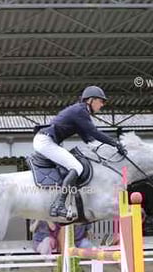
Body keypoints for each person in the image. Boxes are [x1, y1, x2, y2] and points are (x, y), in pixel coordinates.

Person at [33, 86, 127, 218]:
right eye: (101, 101)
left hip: (46, 141)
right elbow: (94, 132)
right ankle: (58, 205)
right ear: (91, 100)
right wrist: (115, 143)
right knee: (77, 167)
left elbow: (89, 139)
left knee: (75, 164)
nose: (102, 105)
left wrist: (111, 150)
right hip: (45, 142)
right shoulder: (80, 111)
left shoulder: (80, 113)